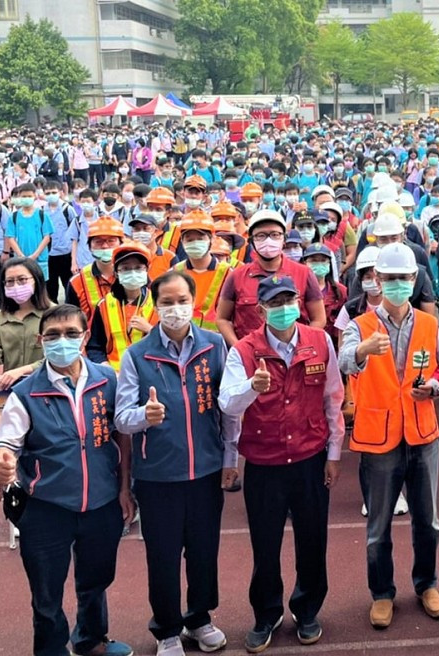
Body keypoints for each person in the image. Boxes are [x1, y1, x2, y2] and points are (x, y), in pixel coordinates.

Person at [0, 303, 136, 656]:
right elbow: (5, 443)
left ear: (85, 337)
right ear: (42, 341)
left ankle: (91, 639)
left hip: (101, 501)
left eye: (72, 333)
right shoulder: (25, 393)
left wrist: (124, 489)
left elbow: (122, 437)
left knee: (96, 581)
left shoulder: (108, 379)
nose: (63, 341)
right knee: (46, 593)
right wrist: (2, 463)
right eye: (53, 335)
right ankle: (53, 649)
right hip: (46, 508)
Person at [114, 270, 237, 656]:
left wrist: (230, 459)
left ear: (194, 300)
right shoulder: (137, 355)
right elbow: (121, 417)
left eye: (181, 300)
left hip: (205, 471)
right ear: (155, 305)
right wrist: (143, 416)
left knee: (203, 551)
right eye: (166, 302)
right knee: (163, 556)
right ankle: (167, 629)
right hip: (158, 476)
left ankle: (199, 618)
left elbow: (230, 411)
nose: (175, 308)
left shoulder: (215, 346)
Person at [218, 274, 344, 650]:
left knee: (312, 540)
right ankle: (267, 613)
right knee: (265, 545)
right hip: (265, 464)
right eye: (275, 303)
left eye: (290, 301)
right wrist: (249, 389)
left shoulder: (320, 341)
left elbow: (333, 398)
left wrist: (334, 454)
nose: (285, 308)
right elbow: (227, 405)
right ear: (261, 310)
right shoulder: (242, 350)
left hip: (310, 459)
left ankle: (307, 610)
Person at [338, 242, 439, 630]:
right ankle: (382, 593)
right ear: (376, 281)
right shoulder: (359, 325)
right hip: (379, 438)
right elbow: (344, 361)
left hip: (422, 433)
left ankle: (426, 583)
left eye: (404, 278)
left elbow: (438, 370)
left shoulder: (429, 324)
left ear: (415, 280)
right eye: (390, 278)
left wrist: (432, 388)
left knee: (428, 521)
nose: (397, 284)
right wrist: (364, 351)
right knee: (378, 527)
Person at [215, 209, 325, 346]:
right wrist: (239, 348)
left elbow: (319, 318)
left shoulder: (304, 273)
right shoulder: (237, 276)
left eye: (275, 235)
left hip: (294, 355)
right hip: (251, 356)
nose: (268, 240)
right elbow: (222, 319)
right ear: (252, 241)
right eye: (261, 235)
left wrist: (301, 345)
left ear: (284, 239)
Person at [0, 257, 50, 389]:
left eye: (22, 280)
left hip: (46, 385)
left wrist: (23, 370)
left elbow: (59, 358)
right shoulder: (0, 318)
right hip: (13, 389)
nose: (16, 286)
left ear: (37, 279)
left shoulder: (53, 314)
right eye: (10, 281)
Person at [87, 243, 159, 369]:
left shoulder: (158, 302)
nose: (132, 273)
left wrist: (151, 330)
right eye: (126, 269)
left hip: (151, 371)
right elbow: (94, 347)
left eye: (138, 268)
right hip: (115, 374)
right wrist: (105, 368)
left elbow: (172, 342)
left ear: (147, 270)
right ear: (116, 273)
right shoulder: (104, 305)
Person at [170, 211, 231, 331]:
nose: (195, 243)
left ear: (211, 239)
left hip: (218, 343)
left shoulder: (229, 274)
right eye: (189, 239)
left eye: (200, 238)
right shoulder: (173, 273)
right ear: (182, 241)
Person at [67, 218, 124, 324]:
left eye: (111, 241)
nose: (105, 246)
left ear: (121, 244)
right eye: (98, 241)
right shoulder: (77, 281)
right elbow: (71, 319)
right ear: (89, 246)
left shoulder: (134, 275)